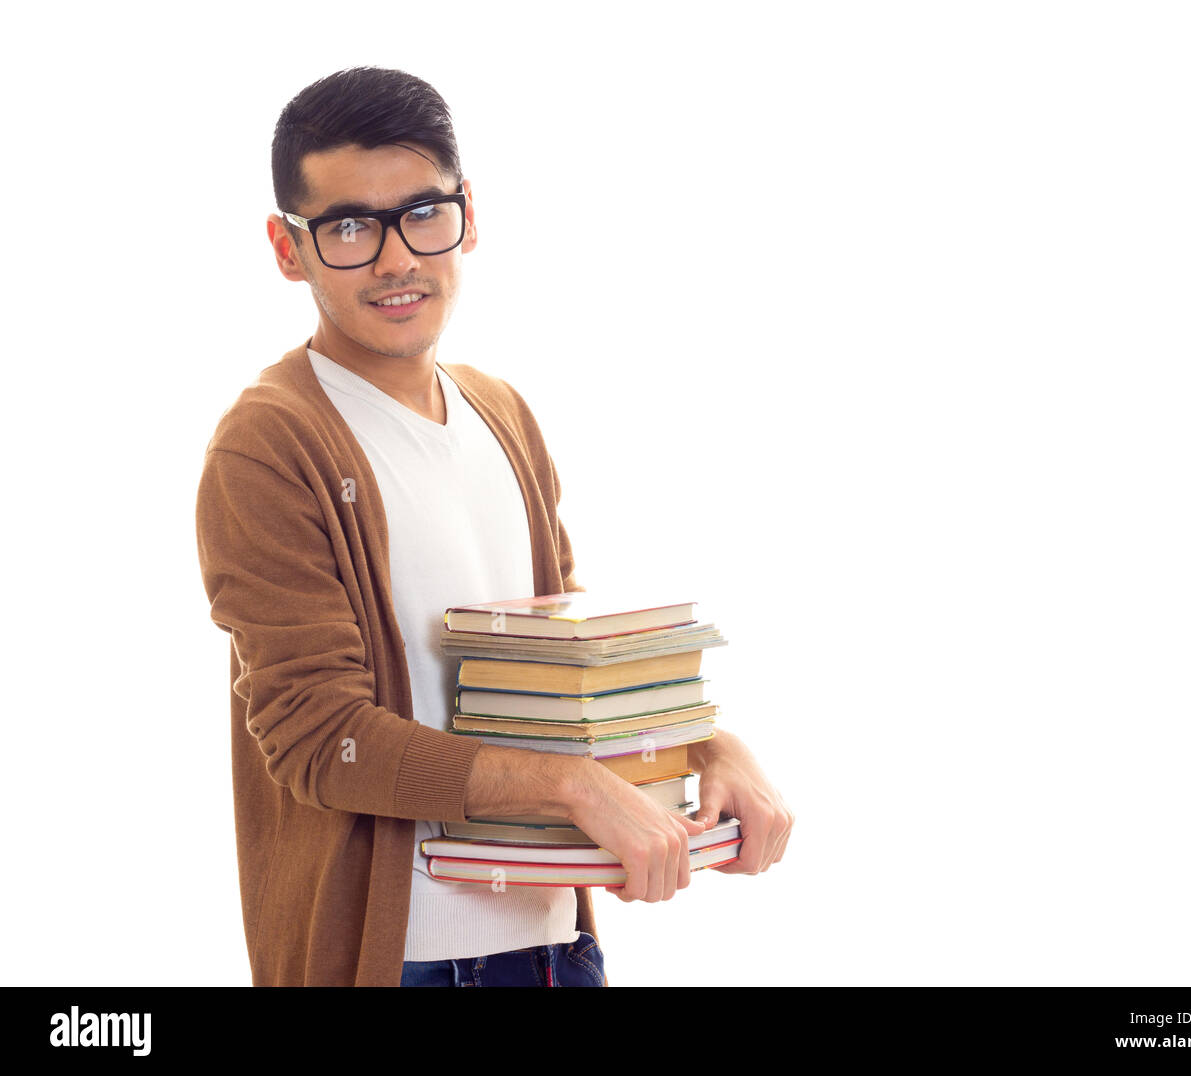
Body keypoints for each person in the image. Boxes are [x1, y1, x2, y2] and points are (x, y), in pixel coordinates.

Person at [194, 66, 793, 987]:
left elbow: (566, 662)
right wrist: (566, 784)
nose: (396, 259)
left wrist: (710, 745)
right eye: (350, 227)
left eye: (422, 213)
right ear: (288, 247)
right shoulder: (271, 444)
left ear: (467, 213)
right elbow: (319, 737)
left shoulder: (500, 413)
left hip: (554, 947)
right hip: (396, 962)